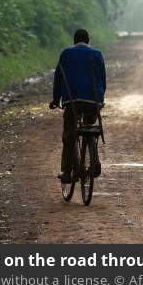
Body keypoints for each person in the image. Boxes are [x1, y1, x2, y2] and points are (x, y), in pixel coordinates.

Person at [49, 28, 106, 183]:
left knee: (69, 134)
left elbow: (58, 78)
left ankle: (67, 172)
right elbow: (102, 80)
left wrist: (56, 100)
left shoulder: (66, 53)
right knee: (89, 126)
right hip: (94, 100)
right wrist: (100, 100)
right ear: (88, 40)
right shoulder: (97, 54)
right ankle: (94, 158)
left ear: (74, 41)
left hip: (72, 101)